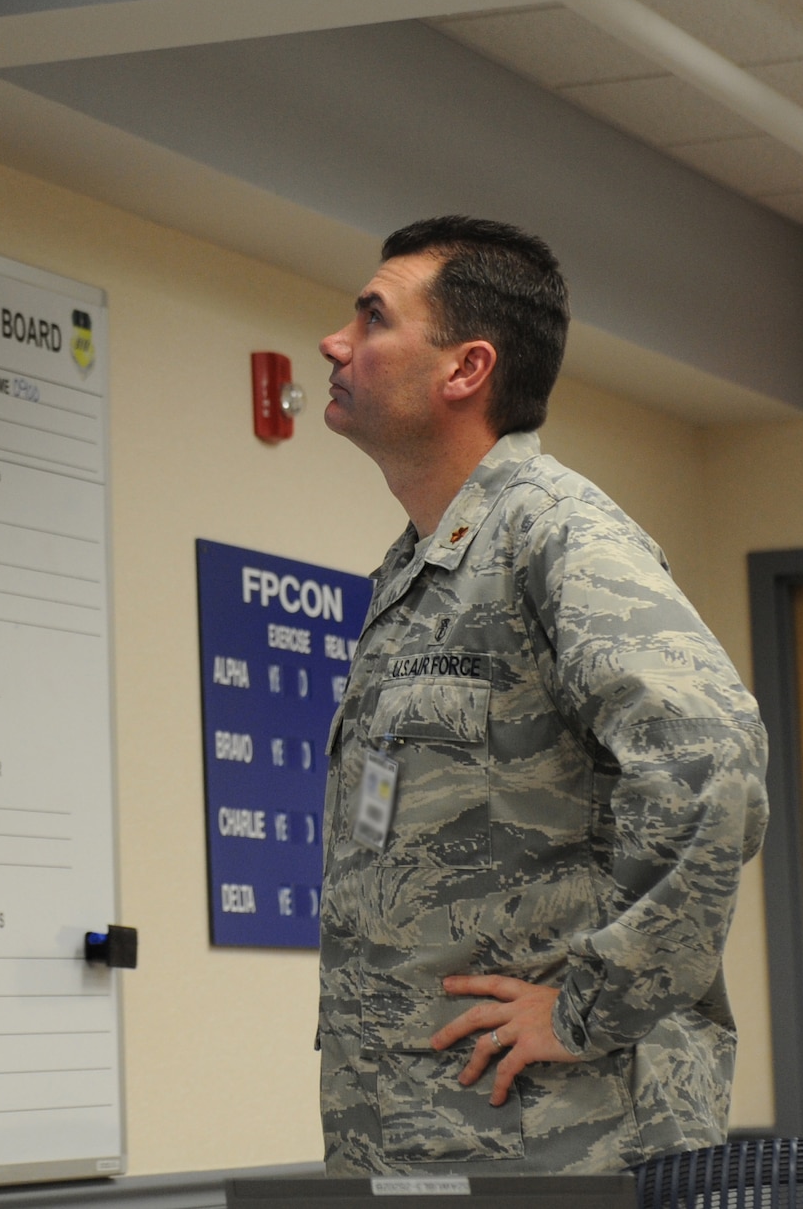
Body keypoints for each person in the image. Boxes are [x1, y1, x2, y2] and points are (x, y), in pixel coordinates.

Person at [313, 215, 768, 1174]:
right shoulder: (416, 573)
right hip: (413, 1136)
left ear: (466, 368)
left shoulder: (557, 536)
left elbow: (709, 754)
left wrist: (591, 1005)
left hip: (562, 1140)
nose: (334, 343)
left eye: (373, 317)